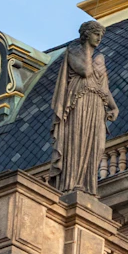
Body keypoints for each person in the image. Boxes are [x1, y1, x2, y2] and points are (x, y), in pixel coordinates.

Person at [50, 20, 119, 195]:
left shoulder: (99, 59)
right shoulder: (73, 52)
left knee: (97, 146)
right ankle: (72, 184)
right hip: (79, 102)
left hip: (96, 105)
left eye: (101, 35)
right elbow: (86, 71)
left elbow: (104, 87)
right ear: (86, 34)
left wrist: (114, 106)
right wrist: (88, 51)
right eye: (96, 34)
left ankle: (89, 186)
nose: (99, 39)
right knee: (78, 140)